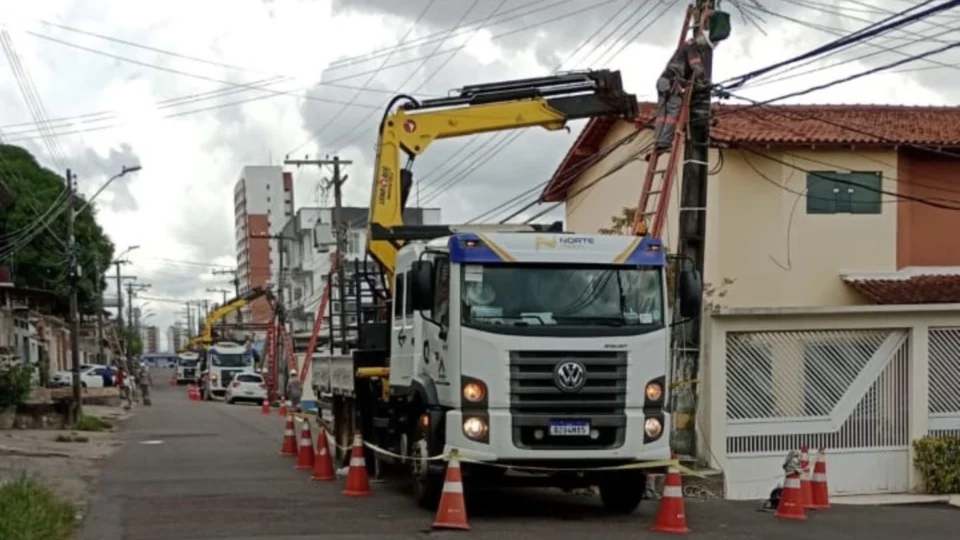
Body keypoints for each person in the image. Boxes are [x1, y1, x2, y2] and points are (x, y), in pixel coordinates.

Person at [652, 33, 711, 152]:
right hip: (672, 84)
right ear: (702, 42)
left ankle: (658, 140)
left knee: (662, 114)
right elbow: (696, 66)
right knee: (672, 112)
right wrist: (705, 82)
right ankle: (664, 142)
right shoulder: (692, 47)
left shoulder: (684, 46)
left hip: (663, 81)